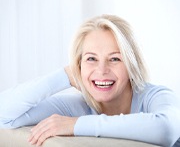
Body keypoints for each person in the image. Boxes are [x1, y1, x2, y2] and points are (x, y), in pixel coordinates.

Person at [0, 14, 180, 147]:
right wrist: (65, 76)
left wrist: (75, 125)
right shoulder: (75, 106)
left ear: (132, 65)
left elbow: (167, 130)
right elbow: (3, 115)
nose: (102, 71)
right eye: (91, 59)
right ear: (79, 65)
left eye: (115, 58)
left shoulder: (155, 95)